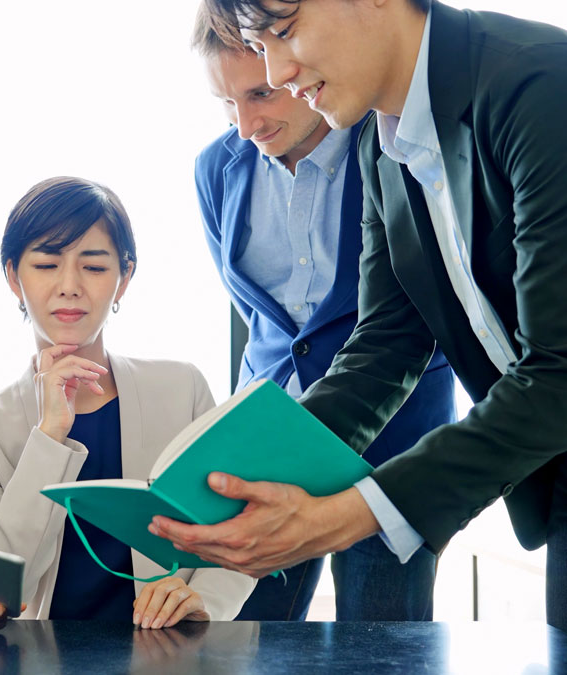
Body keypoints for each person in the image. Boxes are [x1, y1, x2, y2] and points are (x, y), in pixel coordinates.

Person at [150, 0, 567, 631]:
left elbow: (561, 373)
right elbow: (388, 340)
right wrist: (249, 486)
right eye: (262, 44)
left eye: (283, 32)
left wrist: (345, 514)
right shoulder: (382, 139)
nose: (279, 69)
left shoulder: (539, 84)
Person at [190, 4, 454, 621]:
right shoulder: (215, 169)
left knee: (383, 644)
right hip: (269, 436)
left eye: (259, 94)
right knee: (246, 636)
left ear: (296, 65)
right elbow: (261, 315)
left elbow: (418, 310)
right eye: (225, 104)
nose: (246, 123)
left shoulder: (391, 143)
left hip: (392, 441)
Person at [0, 176, 255, 631]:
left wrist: (202, 602)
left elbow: (237, 528)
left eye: (93, 267)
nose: (70, 286)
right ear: (14, 277)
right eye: (47, 264)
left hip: (172, 650)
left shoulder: (182, 388)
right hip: (40, 658)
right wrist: (50, 434)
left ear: (124, 278)